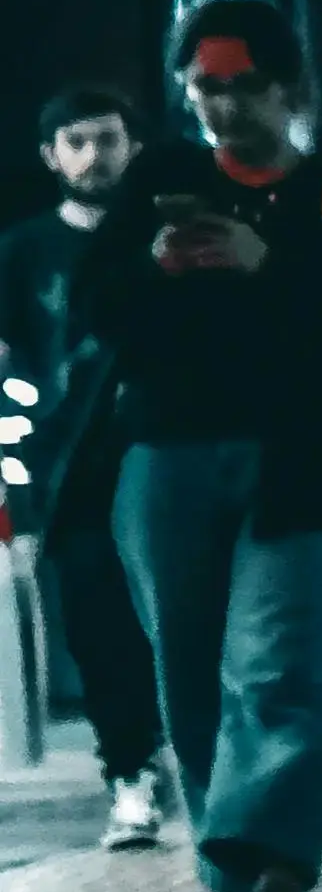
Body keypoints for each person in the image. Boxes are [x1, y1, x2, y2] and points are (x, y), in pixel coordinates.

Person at [90, 0, 322, 892]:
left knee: (279, 666)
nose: (223, 108)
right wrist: (154, 263)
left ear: (288, 87)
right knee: (189, 665)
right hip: (168, 458)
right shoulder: (160, 179)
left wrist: (266, 262)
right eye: (203, 88)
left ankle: (275, 863)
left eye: (242, 86)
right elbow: (97, 309)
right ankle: (238, 874)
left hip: (304, 467)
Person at [7, 67, 162, 841]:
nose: (94, 155)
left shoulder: (168, 235)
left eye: (108, 140)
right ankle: (129, 770)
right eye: (78, 142)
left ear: (134, 147)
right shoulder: (25, 255)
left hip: (167, 452)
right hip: (70, 470)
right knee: (100, 629)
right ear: (50, 155)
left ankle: (162, 761)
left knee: (177, 620)